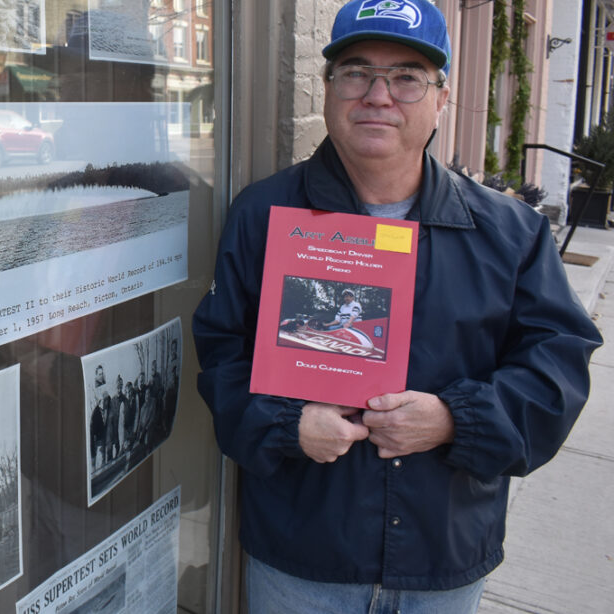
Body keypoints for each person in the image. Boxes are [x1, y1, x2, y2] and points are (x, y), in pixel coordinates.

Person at [192, 1, 602, 612]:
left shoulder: (510, 233)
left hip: (444, 551)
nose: (379, 95)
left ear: (440, 98)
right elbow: (222, 353)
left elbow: (558, 371)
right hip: (303, 557)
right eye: (356, 72)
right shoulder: (264, 214)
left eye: (407, 77)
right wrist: (285, 423)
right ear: (328, 88)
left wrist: (455, 419)